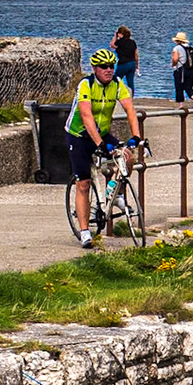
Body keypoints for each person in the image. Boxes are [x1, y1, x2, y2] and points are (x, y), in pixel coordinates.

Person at [68, 48, 141, 250]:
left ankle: (116, 194)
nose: (109, 70)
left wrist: (136, 136)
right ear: (94, 68)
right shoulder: (86, 85)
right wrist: (100, 143)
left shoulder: (117, 84)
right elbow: (86, 116)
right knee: (83, 183)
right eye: (104, 67)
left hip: (102, 131)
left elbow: (130, 110)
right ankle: (84, 232)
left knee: (126, 157)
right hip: (80, 134)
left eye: (112, 66)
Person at [170, 31, 193, 106]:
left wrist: (173, 65)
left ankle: (180, 105)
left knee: (179, 87)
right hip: (190, 70)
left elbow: (175, 59)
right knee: (189, 87)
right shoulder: (190, 48)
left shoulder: (177, 48)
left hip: (180, 70)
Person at [112, 25, 138, 93]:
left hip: (123, 64)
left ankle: (114, 93)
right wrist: (137, 65)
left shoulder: (120, 42)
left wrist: (115, 36)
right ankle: (131, 96)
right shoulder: (133, 42)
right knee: (130, 81)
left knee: (116, 80)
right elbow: (136, 54)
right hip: (132, 63)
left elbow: (112, 45)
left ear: (120, 34)